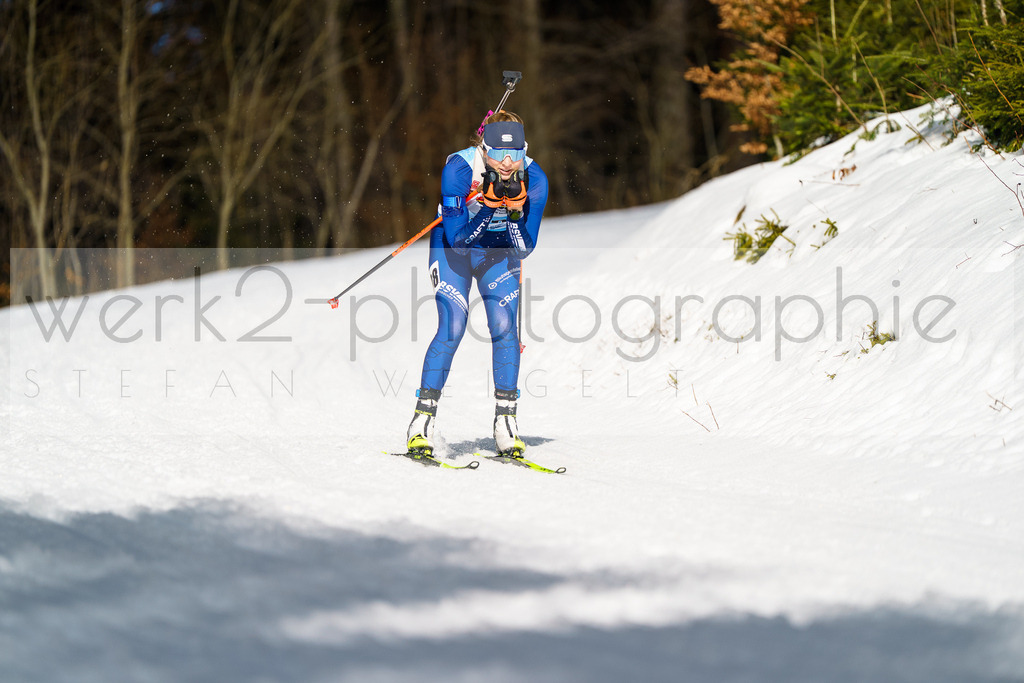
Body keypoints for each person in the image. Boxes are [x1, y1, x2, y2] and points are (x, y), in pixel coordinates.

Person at [406, 110, 549, 457]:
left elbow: (525, 248)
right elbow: (458, 241)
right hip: (453, 250)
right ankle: (421, 422)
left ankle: (506, 423)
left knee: (504, 326)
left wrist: (512, 214)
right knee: (453, 325)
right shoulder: (459, 169)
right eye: (498, 153)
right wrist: (487, 207)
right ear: (483, 148)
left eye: (515, 153)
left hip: (498, 252)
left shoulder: (535, 178)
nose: (507, 163)